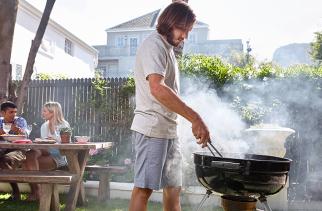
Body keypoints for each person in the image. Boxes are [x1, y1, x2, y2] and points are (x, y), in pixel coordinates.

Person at [129, 2, 210, 211]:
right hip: (151, 129)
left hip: (168, 131)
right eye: (183, 29)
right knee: (144, 189)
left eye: (188, 31)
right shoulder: (153, 45)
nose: (185, 36)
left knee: (174, 188)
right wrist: (195, 118)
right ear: (170, 23)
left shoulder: (168, 50)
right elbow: (157, 88)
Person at [23, 101, 70, 201]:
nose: (42, 113)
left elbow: (65, 145)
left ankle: (36, 192)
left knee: (27, 164)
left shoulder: (64, 125)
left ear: (53, 112)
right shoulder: (44, 125)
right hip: (45, 153)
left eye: (45, 111)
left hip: (58, 157)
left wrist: (52, 137)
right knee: (30, 154)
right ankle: (38, 191)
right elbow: (44, 144)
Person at [0, 101, 28, 200]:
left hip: (18, 148)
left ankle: (16, 191)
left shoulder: (20, 121)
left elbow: (26, 136)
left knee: (5, 159)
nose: (14, 114)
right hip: (2, 148)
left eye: (15, 112)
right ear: (2, 113)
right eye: (11, 112)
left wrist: (18, 131)